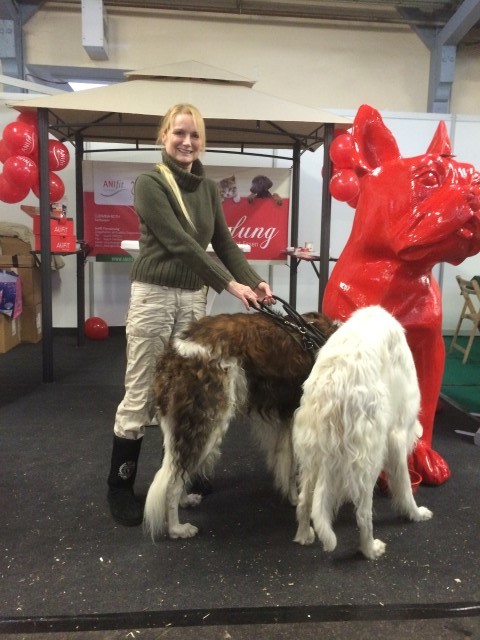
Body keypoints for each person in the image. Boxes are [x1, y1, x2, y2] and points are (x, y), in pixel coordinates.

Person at [107, 103, 275, 526]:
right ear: (163, 136)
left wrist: (254, 281)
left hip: (191, 298)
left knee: (188, 393)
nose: (187, 141)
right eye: (179, 133)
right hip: (154, 297)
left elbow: (225, 243)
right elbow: (180, 243)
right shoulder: (149, 184)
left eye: (194, 134)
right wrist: (229, 285)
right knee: (142, 393)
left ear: (202, 142)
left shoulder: (208, 189)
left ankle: (178, 477)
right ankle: (120, 484)